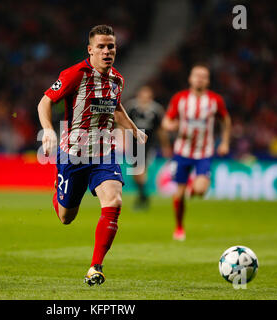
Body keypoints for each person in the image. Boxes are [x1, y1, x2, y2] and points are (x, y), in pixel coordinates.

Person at [37, 25, 147, 286]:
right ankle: (58, 188)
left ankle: (95, 267)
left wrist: (133, 130)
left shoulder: (117, 80)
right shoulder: (75, 74)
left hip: (103, 153)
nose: (107, 51)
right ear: (90, 50)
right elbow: (44, 101)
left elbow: (116, 107)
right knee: (66, 217)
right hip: (73, 154)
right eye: (101, 46)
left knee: (115, 201)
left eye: (111, 46)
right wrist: (48, 130)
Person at [162, 64, 231, 241]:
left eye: (203, 76)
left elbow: (226, 120)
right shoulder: (180, 98)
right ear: (190, 78)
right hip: (182, 152)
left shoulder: (215, 100)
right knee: (178, 194)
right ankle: (179, 227)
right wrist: (171, 126)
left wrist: (224, 142)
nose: (199, 78)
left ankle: (191, 190)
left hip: (204, 152)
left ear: (208, 80)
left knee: (200, 190)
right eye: (196, 75)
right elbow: (167, 121)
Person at [125, 85, 169, 210]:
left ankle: (143, 198)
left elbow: (161, 130)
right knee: (136, 173)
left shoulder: (156, 110)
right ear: (138, 95)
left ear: (151, 97)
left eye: (147, 96)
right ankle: (143, 196)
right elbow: (123, 123)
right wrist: (123, 140)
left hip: (148, 143)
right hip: (133, 143)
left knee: (141, 170)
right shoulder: (131, 107)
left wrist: (165, 146)